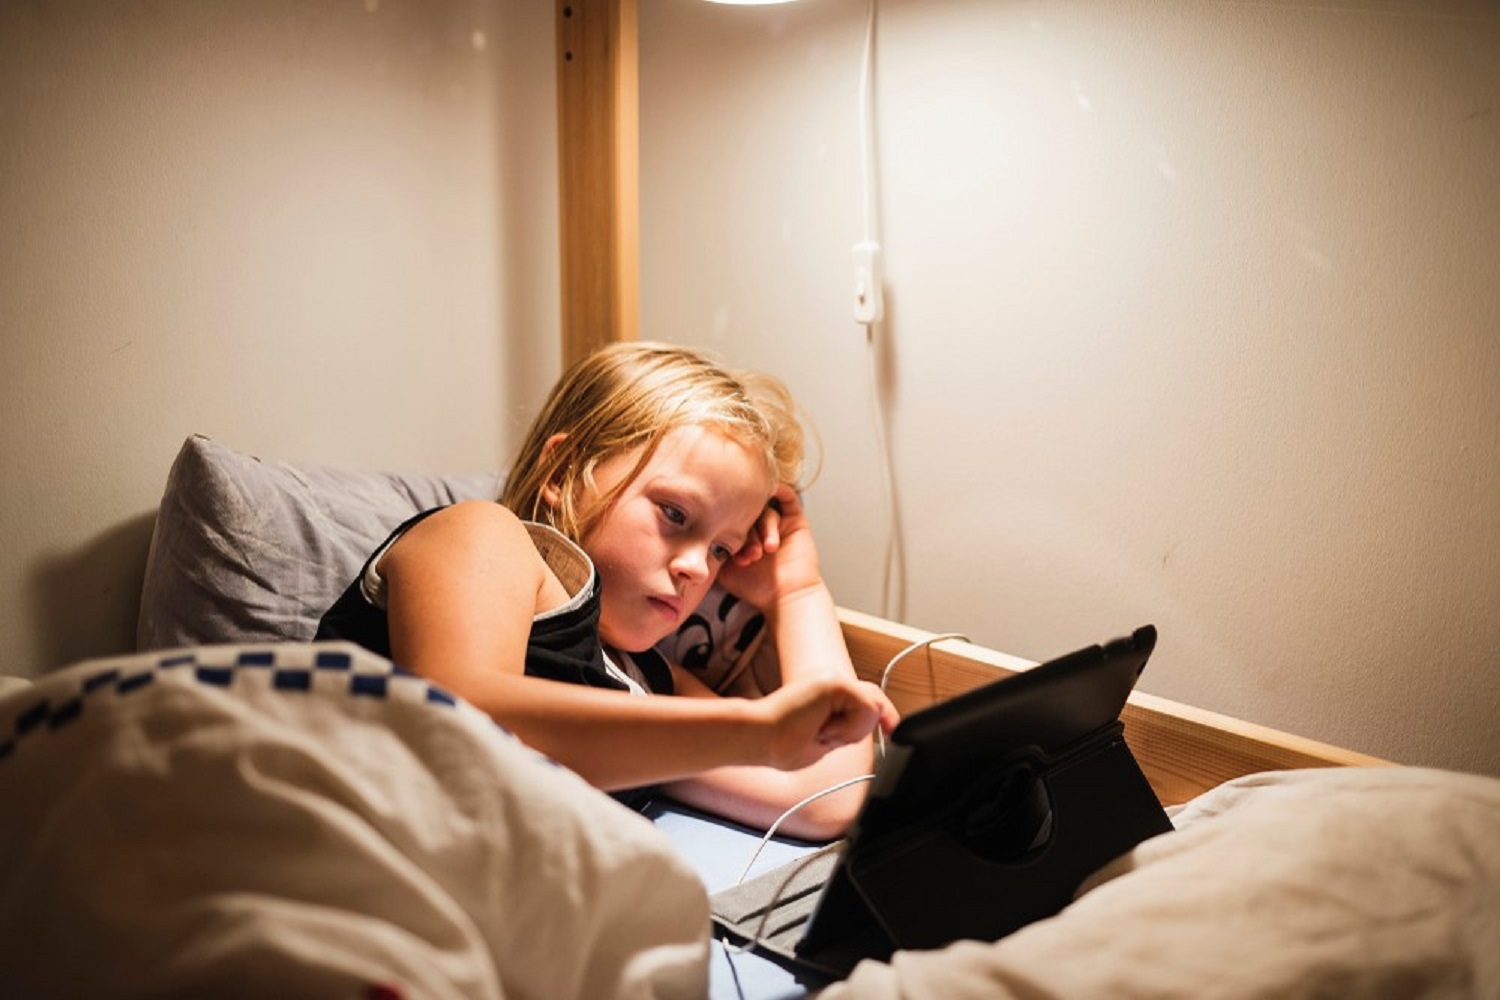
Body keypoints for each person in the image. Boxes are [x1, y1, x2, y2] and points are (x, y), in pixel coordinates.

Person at [317, 341, 897, 839]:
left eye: (722, 548)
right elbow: (463, 722)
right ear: (563, 471)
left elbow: (827, 798)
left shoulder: (645, 682)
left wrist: (796, 590)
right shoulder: (483, 535)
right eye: (675, 514)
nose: (699, 566)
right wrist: (756, 733)